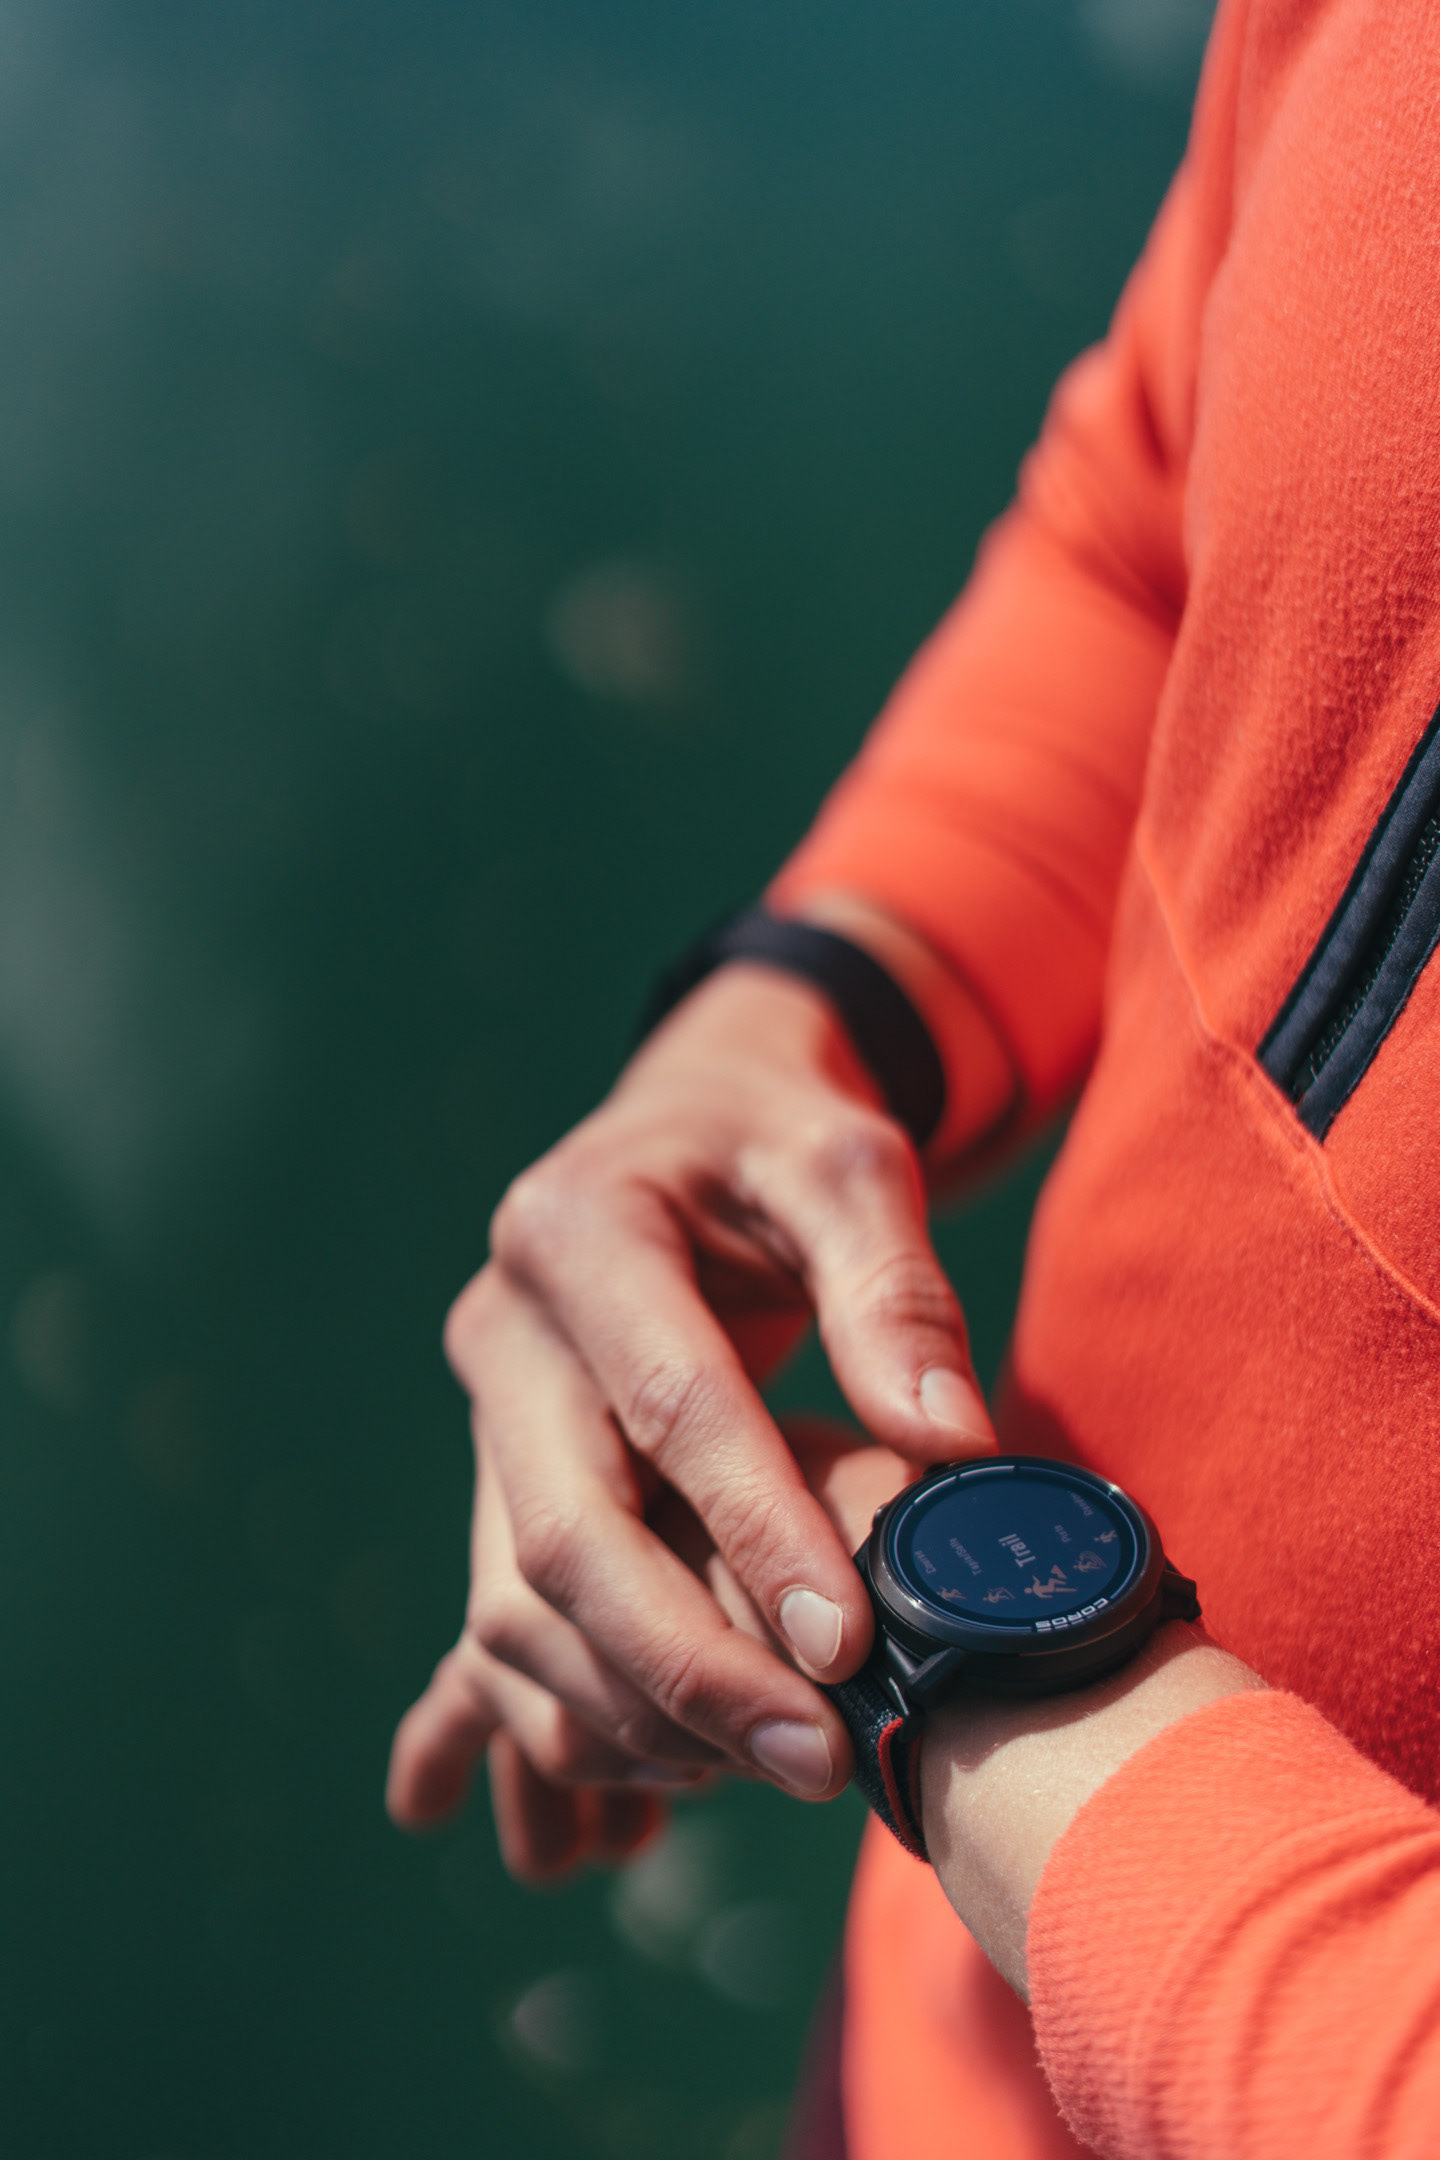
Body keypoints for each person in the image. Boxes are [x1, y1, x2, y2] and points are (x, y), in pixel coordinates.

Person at [389, 2, 1440, 2152]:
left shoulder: (958, 1715)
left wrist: (980, 1695)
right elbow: (1159, 512)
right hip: (950, 2018)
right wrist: (799, 1022)